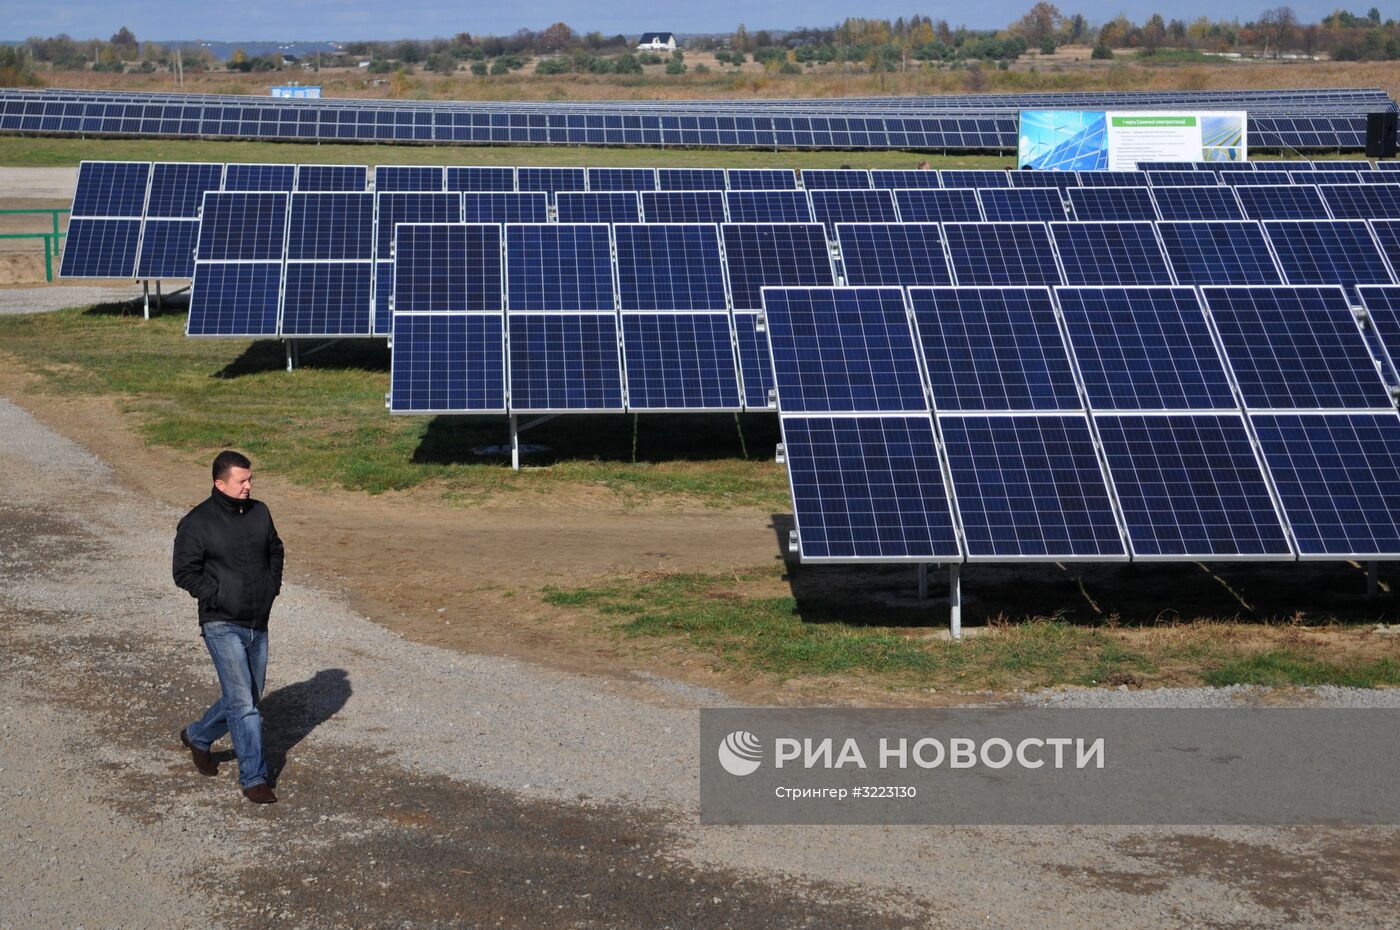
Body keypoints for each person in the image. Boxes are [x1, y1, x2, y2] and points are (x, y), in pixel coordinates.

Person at [172, 450, 285, 804]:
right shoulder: (196, 523)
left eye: (250, 479)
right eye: (242, 481)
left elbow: (275, 550)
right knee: (246, 705)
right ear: (220, 483)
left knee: (246, 698)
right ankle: (254, 778)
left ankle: (198, 736)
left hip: (258, 621)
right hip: (221, 623)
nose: (249, 486)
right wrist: (218, 597)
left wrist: (271, 588)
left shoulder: (260, 512)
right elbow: (184, 572)